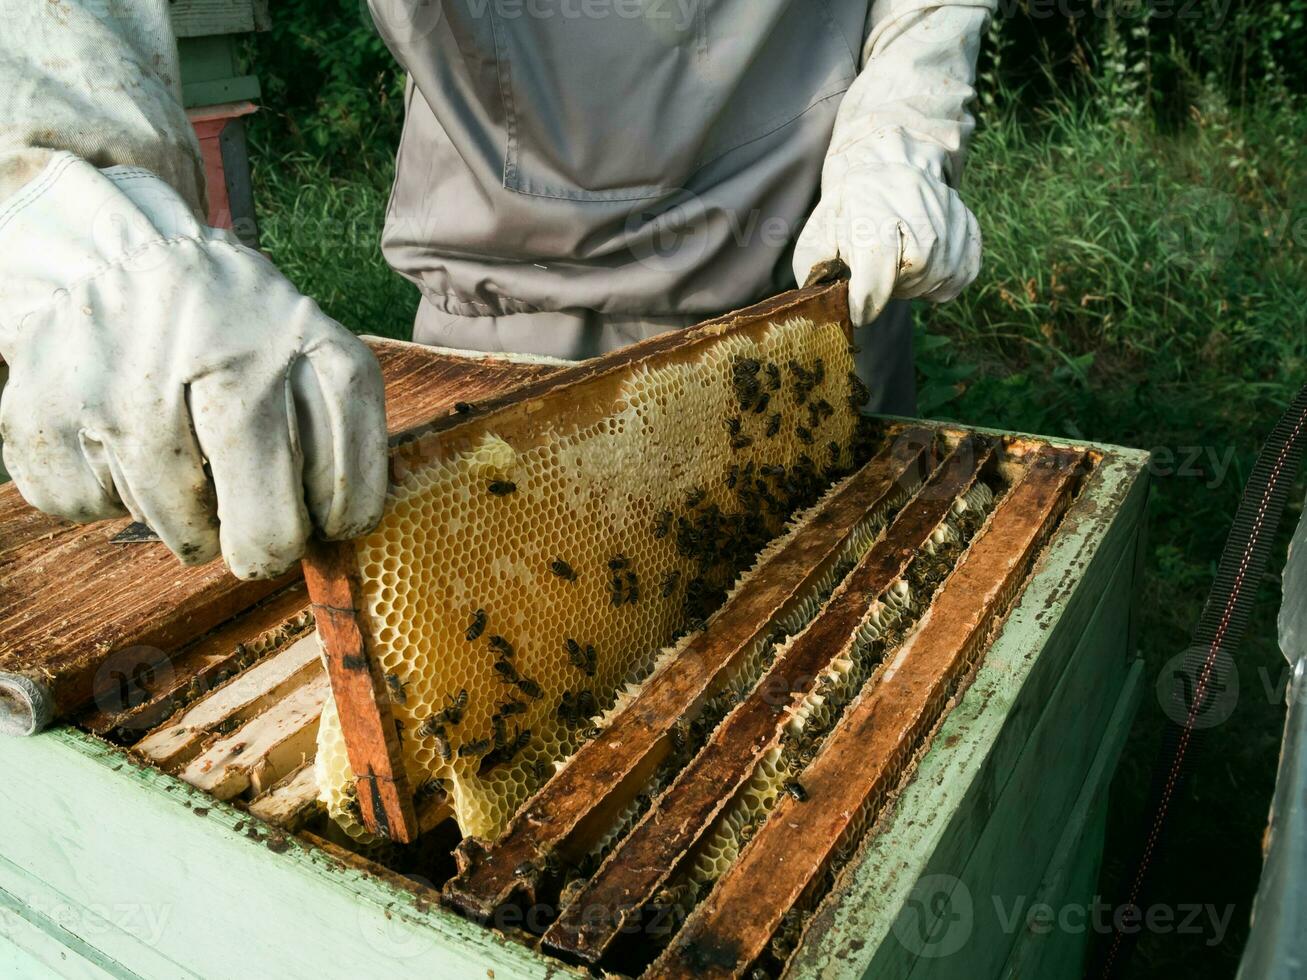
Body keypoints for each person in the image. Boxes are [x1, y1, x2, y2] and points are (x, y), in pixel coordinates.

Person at [0, 0, 992, 580]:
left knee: (824, 665)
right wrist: (83, 228)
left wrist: (894, 134)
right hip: (498, 334)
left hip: (803, 315)